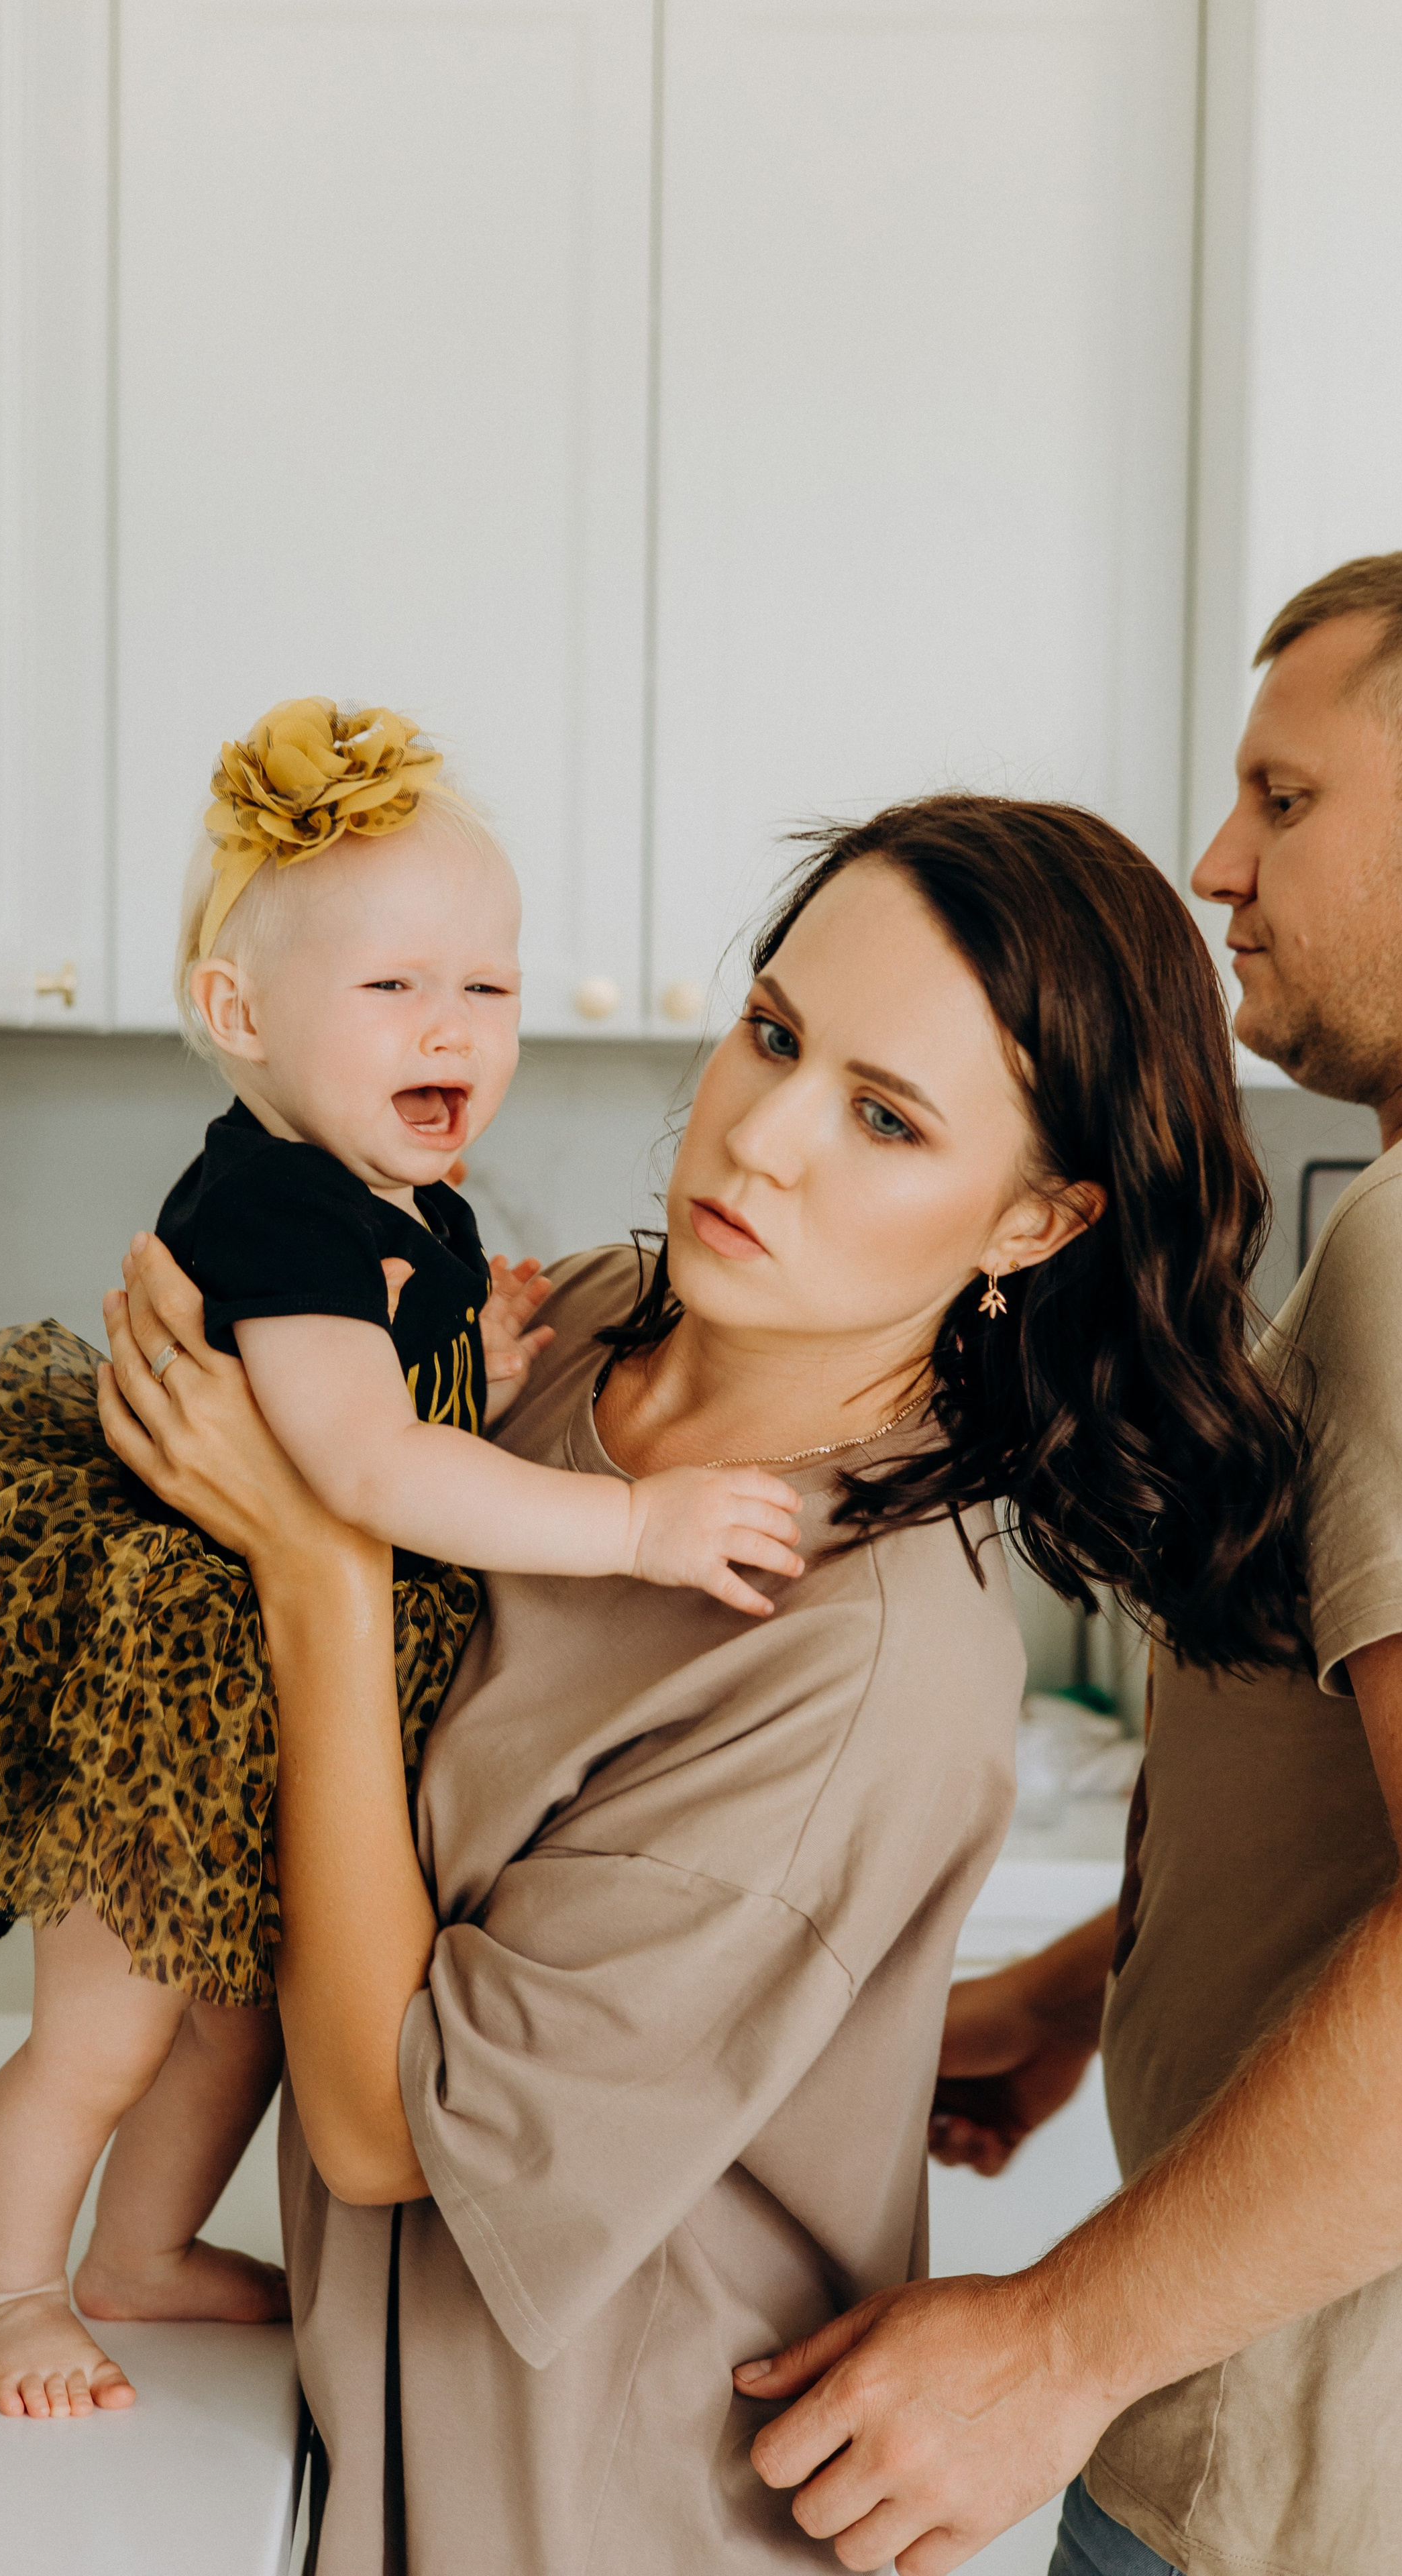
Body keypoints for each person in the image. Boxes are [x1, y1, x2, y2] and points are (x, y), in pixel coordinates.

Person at [96, 791, 1300, 2571]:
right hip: (340, 2439)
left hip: (603, 2517)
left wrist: (317, 1569)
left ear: (1034, 1221)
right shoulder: (569, 1325)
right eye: (774, 1033)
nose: (762, 1137)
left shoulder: (860, 1659)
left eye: (884, 1117)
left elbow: (377, 2126)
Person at [0, 697, 799, 2423]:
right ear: (240, 1014)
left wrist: (501, 1358)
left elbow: (400, 1392)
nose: (452, 1023)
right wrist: (633, 1523)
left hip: (256, 1693)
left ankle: (136, 2258)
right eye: (392, 987)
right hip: (166, 1689)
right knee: (102, 2033)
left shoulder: (401, 1196)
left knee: (235, 2019)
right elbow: (367, 1461)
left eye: (487, 984)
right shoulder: (279, 1208)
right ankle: (8, 2287)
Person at [739, 553, 1402, 2576]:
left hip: (1292, 2492)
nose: (1220, 861)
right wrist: (1081, 1990)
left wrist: (1053, 2343)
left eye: (1285, 799)